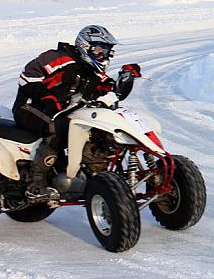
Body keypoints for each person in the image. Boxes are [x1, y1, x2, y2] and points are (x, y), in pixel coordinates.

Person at [13, 25, 142, 200]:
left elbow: (111, 89)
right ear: (84, 46)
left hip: (63, 110)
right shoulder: (58, 58)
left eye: (106, 51)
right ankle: (36, 183)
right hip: (30, 106)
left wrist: (126, 77)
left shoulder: (94, 72)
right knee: (55, 127)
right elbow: (28, 76)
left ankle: (94, 174)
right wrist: (47, 97)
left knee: (97, 130)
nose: (102, 55)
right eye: (99, 50)